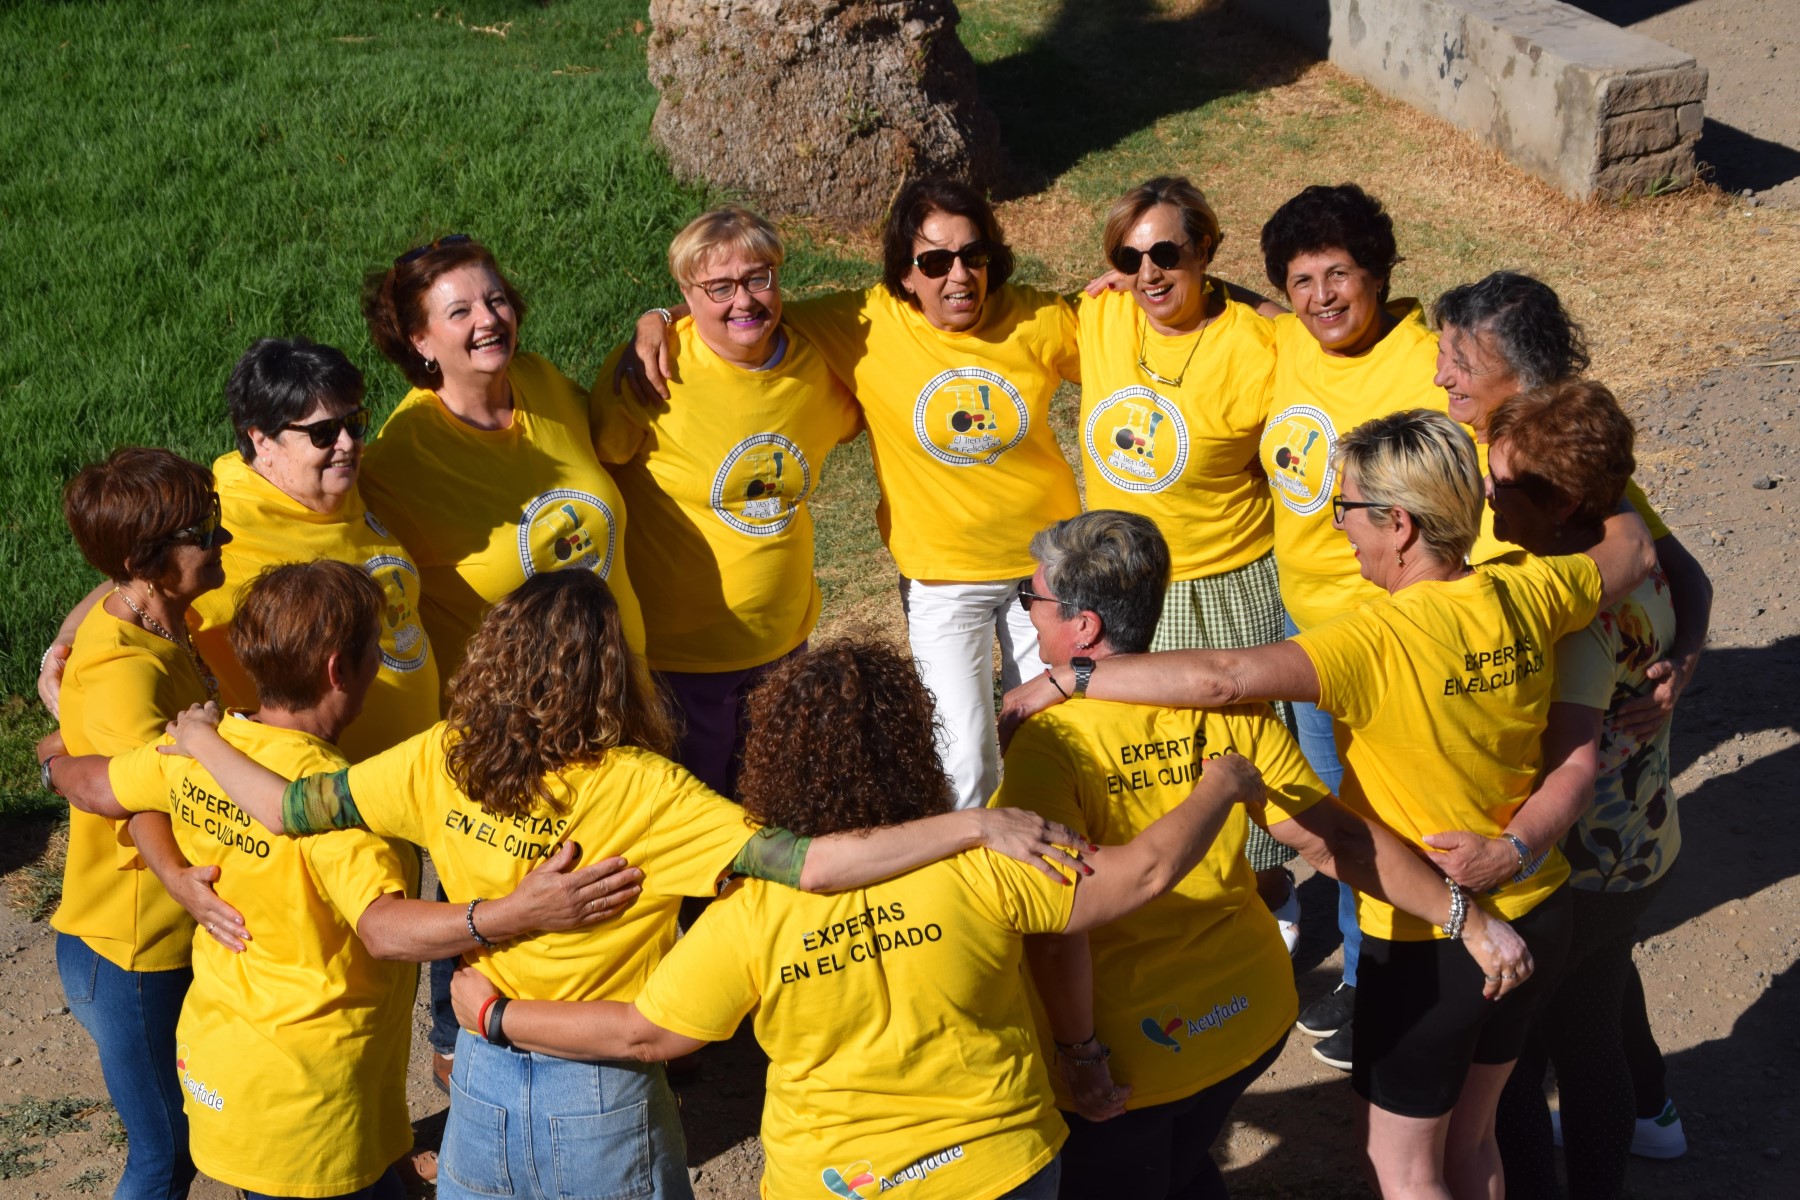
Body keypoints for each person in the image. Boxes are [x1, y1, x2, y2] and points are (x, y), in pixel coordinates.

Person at [154, 570, 1088, 1200]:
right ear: (612, 672)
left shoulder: (441, 759)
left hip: (479, 1082)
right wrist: (971, 822)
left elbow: (287, 807)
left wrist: (198, 739)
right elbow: (812, 864)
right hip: (599, 1092)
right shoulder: (645, 791)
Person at [1003, 410, 1655, 1199]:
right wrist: (1604, 480)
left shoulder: (1374, 642)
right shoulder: (1533, 591)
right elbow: (1634, 551)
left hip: (1427, 935)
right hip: (1537, 905)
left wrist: (1072, 678)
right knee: (1475, 1141)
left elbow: (1223, 679)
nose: (1335, 524)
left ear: (1400, 525)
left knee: (1403, 1167)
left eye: (1344, 508)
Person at [446, 638, 1272, 1200]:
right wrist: (1221, 786)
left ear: (769, 758)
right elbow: (1144, 873)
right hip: (1001, 1166)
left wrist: (497, 1012)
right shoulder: (988, 863)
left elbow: (645, 1035)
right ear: (915, 741)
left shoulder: (753, 910)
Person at [43, 560, 637, 1200]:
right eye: (374, 649)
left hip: (224, 1060)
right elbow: (382, 929)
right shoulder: (341, 809)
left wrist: (52, 758)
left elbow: (98, 786)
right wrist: (514, 912)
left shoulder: (195, 751)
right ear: (338, 670)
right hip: (313, 1103)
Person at [623, 178, 1083, 809]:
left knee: (1061, 737)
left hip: (1047, 570)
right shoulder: (863, 322)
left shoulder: (1036, 316)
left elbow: (1131, 336)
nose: (959, 275)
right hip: (944, 579)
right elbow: (741, 308)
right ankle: (972, 891)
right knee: (964, 761)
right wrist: (660, 318)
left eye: (973, 255)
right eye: (935, 261)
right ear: (905, 271)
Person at [1476, 382, 1703, 1196]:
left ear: (1566, 502)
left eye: (1503, 485)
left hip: (1577, 868)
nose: (1487, 494)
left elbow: (1563, 762)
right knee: (1593, 1038)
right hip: (1644, 846)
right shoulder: (1641, 569)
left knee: (1515, 1063)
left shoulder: (1575, 619)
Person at [1253, 183, 1453, 1066]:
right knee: (1336, 806)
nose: (1322, 298)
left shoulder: (1423, 363)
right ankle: (1376, 963)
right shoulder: (1287, 341)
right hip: (1309, 631)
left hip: (1385, 640)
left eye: (1340, 275)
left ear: (1380, 274)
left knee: (1380, 812)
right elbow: (1226, 307)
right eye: (1302, 280)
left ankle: (1388, 982)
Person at [1074, 178, 1301, 948]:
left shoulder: (1260, 344)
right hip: (1121, 586)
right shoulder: (1099, 314)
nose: (1148, 274)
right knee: (1144, 762)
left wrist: (1255, 302)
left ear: (1205, 250)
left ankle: (1271, 903)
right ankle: (1171, 902)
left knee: (1242, 754)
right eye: (1129, 256)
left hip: (1224, 582)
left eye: (1168, 253)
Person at [38, 339, 440, 765]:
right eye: (322, 433)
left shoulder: (349, 483)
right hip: (319, 796)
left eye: (355, 423)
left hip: (416, 773)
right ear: (262, 440)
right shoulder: (226, 524)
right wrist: (63, 651)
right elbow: (136, 580)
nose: (347, 443)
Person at [592, 206, 860, 795]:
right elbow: (598, 464)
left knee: (782, 800)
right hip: (681, 660)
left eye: (758, 278)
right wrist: (659, 320)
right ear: (688, 293)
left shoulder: (817, 363)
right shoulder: (651, 372)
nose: (743, 300)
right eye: (719, 287)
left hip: (785, 638)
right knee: (700, 822)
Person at [46, 447, 237, 1200]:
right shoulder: (126, 668)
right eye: (204, 532)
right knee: (163, 1155)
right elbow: (139, 793)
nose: (220, 541)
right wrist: (182, 882)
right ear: (146, 561)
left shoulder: (153, 614)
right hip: (132, 951)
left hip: (153, 937)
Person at [1433, 271, 1712, 753]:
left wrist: (1683, 661)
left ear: (1526, 377)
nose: (1441, 376)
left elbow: (1681, 571)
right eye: (1443, 354)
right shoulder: (1458, 434)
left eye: (1462, 365)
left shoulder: (1563, 476)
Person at [359, 233, 644, 686]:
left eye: (496, 301)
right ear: (419, 341)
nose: (488, 319)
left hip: (626, 685)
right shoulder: (399, 459)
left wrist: (659, 319)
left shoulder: (540, 380)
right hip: (517, 729)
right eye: (460, 312)